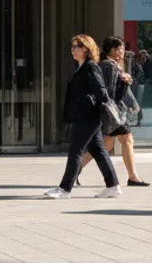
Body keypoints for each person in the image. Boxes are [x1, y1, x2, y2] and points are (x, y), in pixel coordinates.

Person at [44, 35, 122, 199]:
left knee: (75, 151)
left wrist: (87, 102)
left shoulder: (90, 67)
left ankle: (65, 189)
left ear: (85, 49)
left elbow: (101, 92)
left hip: (88, 116)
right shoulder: (81, 67)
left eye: (75, 47)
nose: (72, 50)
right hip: (85, 115)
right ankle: (113, 185)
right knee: (99, 151)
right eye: (72, 47)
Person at [79, 37, 148, 187]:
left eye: (122, 49)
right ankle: (133, 177)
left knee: (106, 145)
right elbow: (111, 93)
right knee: (126, 140)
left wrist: (132, 101)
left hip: (114, 113)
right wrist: (124, 82)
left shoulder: (113, 65)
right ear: (111, 50)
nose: (121, 52)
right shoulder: (109, 66)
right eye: (118, 49)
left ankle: (76, 169)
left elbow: (119, 92)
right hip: (114, 114)